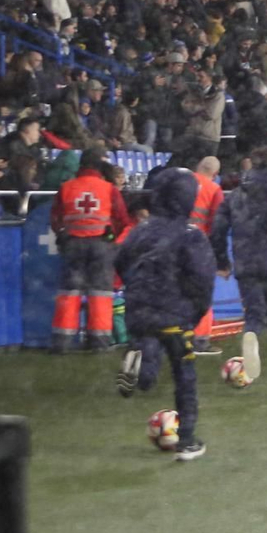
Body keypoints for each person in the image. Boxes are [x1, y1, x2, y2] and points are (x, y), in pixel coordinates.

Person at [114, 167, 216, 462]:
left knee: (148, 337)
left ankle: (143, 370)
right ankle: (187, 442)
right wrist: (193, 313)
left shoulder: (141, 230)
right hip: (173, 313)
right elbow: (201, 280)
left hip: (138, 308)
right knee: (184, 375)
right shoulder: (191, 236)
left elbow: (121, 260)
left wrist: (137, 289)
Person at [211, 146, 267, 399]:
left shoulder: (235, 197)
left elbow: (217, 230)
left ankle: (251, 333)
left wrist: (222, 261)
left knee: (254, 314)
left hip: (245, 264)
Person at [49, 148, 132, 352]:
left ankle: (62, 342)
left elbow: (55, 218)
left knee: (69, 294)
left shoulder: (66, 188)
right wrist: (115, 241)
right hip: (101, 247)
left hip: (73, 246)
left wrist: (63, 235)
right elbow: (125, 222)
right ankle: (99, 342)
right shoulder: (109, 189)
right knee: (100, 294)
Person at [187, 154, 224, 349]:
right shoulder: (214, 190)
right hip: (199, 246)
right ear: (215, 173)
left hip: (174, 242)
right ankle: (200, 339)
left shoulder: (182, 181)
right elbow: (217, 224)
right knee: (202, 292)